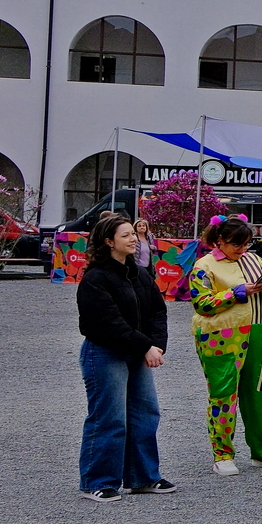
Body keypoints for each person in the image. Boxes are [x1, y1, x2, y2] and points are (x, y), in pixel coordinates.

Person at [76, 212, 172, 501]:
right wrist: (145, 346)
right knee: (110, 418)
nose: (133, 239)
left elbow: (157, 310)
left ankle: (143, 477)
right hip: (106, 353)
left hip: (139, 351)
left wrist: (157, 345)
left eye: (133, 233)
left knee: (145, 414)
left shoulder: (141, 273)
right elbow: (108, 322)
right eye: (126, 235)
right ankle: (98, 481)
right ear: (108, 242)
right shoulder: (95, 279)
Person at [186, 215, 262, 475]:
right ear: (219, 240)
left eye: (246, 244)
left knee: (257, 392)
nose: (242, 250)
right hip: (220, 335)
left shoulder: (255, 260)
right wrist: (237, 293)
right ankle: (222, 454)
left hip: (257, 329)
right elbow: (202, 304)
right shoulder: (203, 265)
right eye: (236, 245)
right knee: (223, 393)